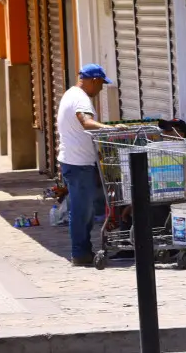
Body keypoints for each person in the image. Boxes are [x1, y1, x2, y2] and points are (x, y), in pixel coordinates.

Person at [57, 63, 112, 267]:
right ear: (94, 80)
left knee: (88, 207)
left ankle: (84, 249)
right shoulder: (81, 99)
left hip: (76, 161)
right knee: (82, 210)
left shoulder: (71, 94)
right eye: (100, 84)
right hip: (78, 164)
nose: (100, 89)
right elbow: (85, 122)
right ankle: (80, 252)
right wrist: (108, 129)